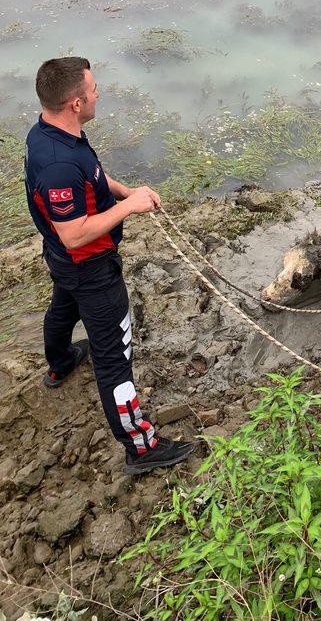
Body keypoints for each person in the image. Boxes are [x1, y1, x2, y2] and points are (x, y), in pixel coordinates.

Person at [24, 57, 197, 475]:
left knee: (62, 308)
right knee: (114, 360)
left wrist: (125, 192)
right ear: (76, 103)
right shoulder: (59, 164)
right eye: (94, 88)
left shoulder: (49, 131)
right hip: (89, 266)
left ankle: (61, 362)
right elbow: (75, 233)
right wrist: (131, 208)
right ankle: (141, 448)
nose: (99, 93)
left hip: (63, 263)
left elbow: (94, 179)